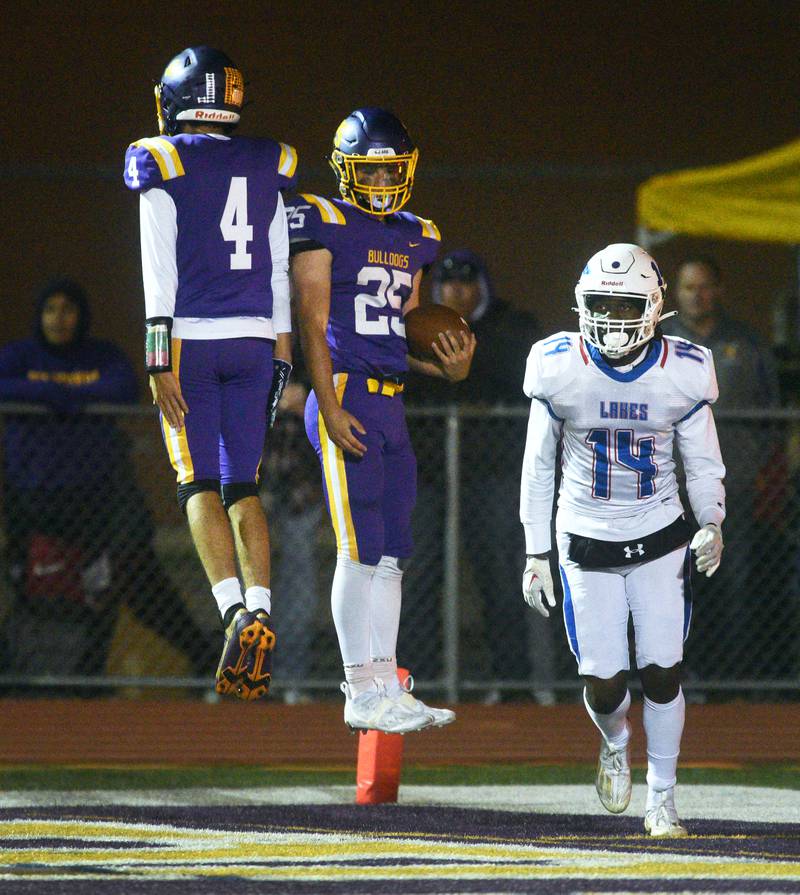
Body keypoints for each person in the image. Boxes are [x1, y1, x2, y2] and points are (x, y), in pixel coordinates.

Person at [519, 244, 725, 837]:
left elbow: (703, 462)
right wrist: (536, 552)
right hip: (585, 538)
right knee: (604, 683)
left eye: (625, 304)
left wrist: (712, 521)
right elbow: (538, 467)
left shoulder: (683, 367)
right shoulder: (558, 364)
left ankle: (662, 796)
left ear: (654, 306)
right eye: (600, 303)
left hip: (660, 534)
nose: (611, 317)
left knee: (664, 671)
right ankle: (615, 741)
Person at [287, 107, 476, 733]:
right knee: (358, 547)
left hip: (391, 396)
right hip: (345, 391)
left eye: (391, 168)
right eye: (370, 169)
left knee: (394, 550)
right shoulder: (324, 219)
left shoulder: (418, 234)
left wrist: (444, 370)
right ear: (346, 170)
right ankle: (360, 689)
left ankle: (388, 683)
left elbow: (405, 334)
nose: (381, 179)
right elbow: (312, 321)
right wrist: (330, 403)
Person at [123, 46, 297, 700]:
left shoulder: (161, 158)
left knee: (195, 480)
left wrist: (155, 357)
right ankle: (263, 609)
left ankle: (232, 613)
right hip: (255, 340)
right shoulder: (270, 160)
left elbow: (157, 269)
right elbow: (278, 260)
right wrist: (282, 350)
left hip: (192, 340)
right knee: (242, 484)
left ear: (176, 98)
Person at [0, 278, 217, 683]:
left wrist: (43, 397)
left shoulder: (102, 355)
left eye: (67, 309)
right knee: (39, 590)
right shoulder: (18, 355)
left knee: (132, 579)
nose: (59, 318)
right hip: (36, 501)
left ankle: (204, 659)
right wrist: (72, 398)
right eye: (50, 309)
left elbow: (120, 387)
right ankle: (37, 680)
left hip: (98, 498)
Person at [404, 250, 555, 701]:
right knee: (417, 578)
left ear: (483, 287)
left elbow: (522, 375)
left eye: (467, 283)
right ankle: (419, 680)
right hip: (428, 473)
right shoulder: (414, 327)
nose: (457, 292)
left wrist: (466, 359)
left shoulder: (512, 326)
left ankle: (513, 683)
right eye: (448, 283)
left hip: (490, 472)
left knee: (501, 578)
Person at [662, 256, 781, 680]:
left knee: (735, 582)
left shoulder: (745, 342)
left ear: (719, 290)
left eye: (705, 286)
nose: (698, 295)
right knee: (675, 585)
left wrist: (753, 462)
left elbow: (773, 411)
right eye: (689, 287)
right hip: (670, 490)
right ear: (676, 293)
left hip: (735, 487)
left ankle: (732, 680)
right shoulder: (662, 343)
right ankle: (680, 677)